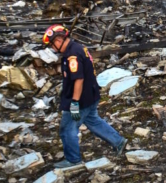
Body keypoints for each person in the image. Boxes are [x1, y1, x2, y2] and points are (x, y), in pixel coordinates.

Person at [42, 25, 127, 168]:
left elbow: (78, 79)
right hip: (91, 95)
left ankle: (73, 160)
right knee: (93, 121)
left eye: (52, 45)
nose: (53, 49)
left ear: (58, 40)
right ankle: (118, 141)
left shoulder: (72, 55)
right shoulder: (78, 47)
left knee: (68, 128)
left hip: (80, 100)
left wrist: (74, 102)